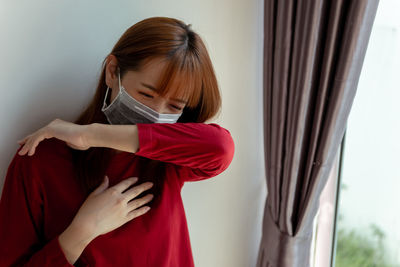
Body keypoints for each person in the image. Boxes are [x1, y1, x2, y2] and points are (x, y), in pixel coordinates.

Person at [0, 16, 235, 267]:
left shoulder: (168, 158)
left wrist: (88, 135)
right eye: (146, 94)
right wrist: (80, 233)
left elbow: (221, 148)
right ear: (112, 72)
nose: (156, 114)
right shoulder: (40, 161)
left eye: (174, 106)